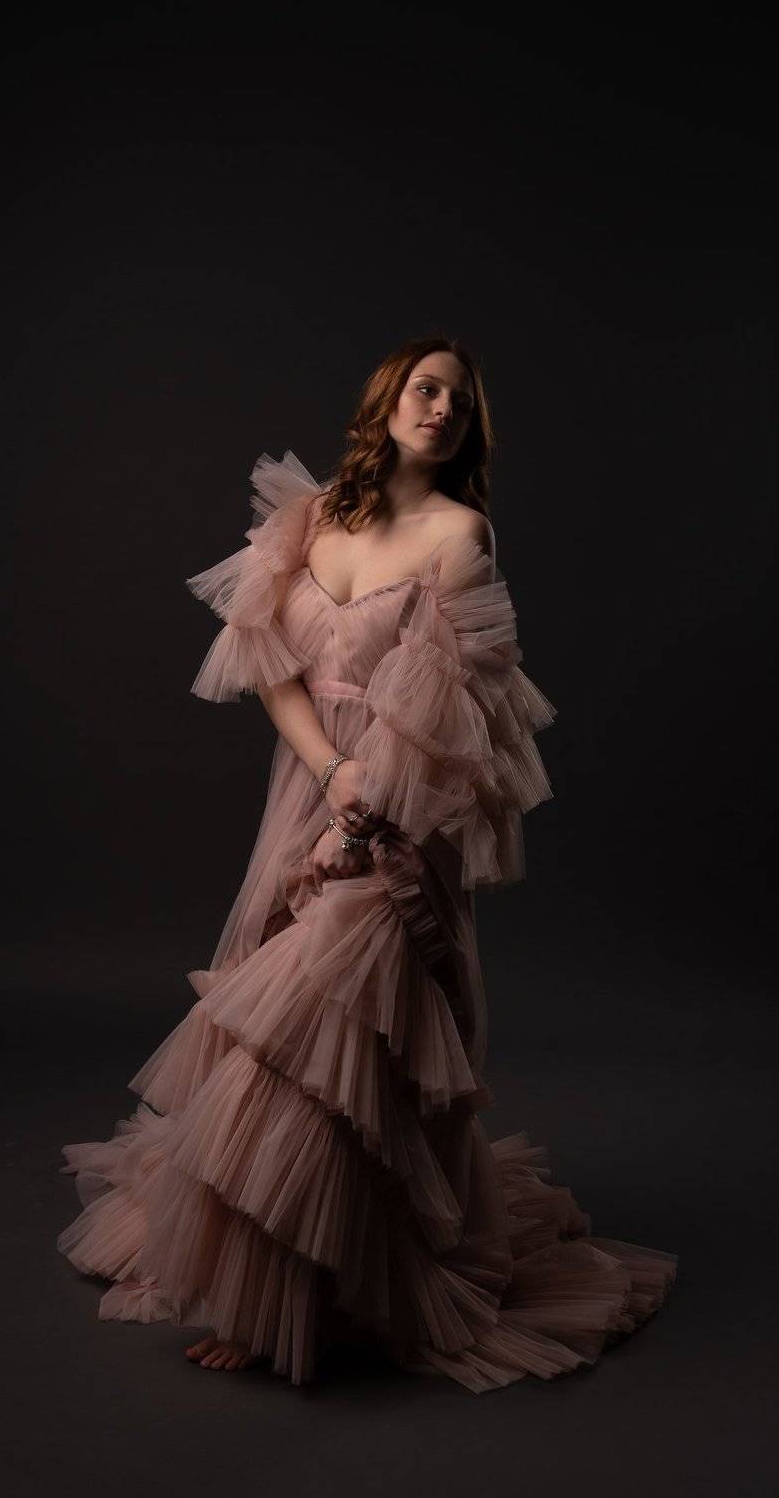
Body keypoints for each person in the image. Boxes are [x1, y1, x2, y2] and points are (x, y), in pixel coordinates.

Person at [56, 334, 679, 1392]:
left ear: (469, 430)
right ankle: (284, 1270)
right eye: (425, 390)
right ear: (387, 402)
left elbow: (445, 720)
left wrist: (360, 818)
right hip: (315, 782)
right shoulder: (308, 520)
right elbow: (270, 664)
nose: (441, 409)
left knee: (334, 1024)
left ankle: (292, 1303)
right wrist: (330, 773)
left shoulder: (459, 535)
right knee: (280, 1030)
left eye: (459, 402)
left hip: (406, 807)